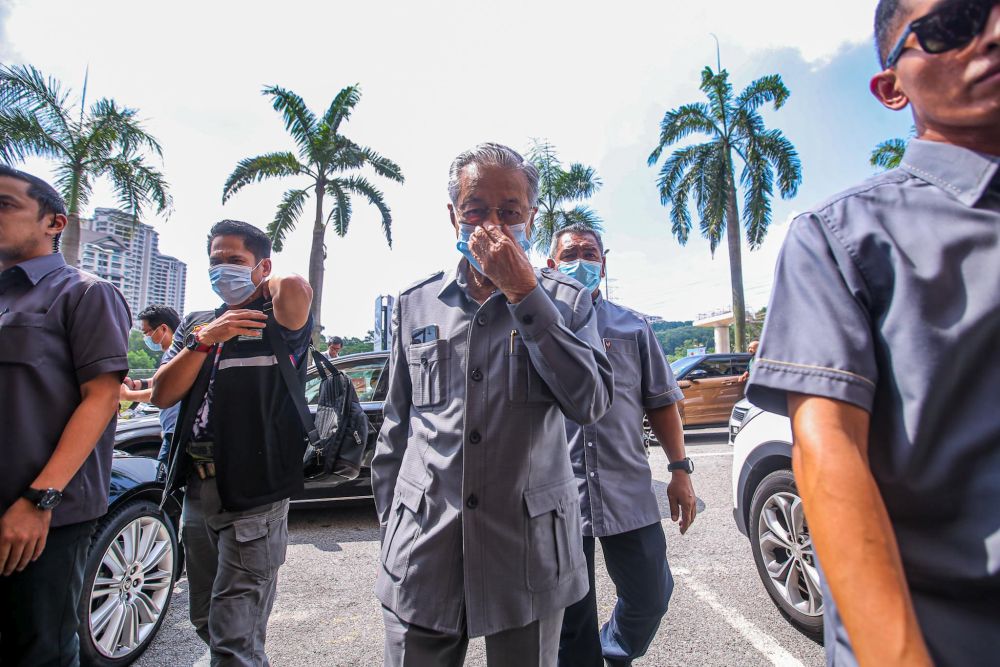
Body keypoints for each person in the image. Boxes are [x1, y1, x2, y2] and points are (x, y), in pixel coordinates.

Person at [747, 1, 1000, 665]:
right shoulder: (847, 237)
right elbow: (827, 448)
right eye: (952, 27)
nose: (994, 35)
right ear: (892, 87)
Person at [373, 143, 614, 666]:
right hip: (423, 550)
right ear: (453, 216)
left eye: (509, 211)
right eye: (476, 209)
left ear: (531, 217)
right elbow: (396, 430)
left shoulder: (568, 301)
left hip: (529, 553)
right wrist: (395, 526)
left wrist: (524, 292)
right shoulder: (416, 304)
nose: (492, 225)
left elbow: (591, 401)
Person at [151, 219, 313, 664]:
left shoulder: (279, 319)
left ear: (262, 266)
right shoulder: (197, 325)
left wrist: (263, 283)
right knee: (205, 618)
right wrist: (206, 339)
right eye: (215, 261)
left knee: (233, 636)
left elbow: (295, 287)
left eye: (235, 260)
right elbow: (162, 393)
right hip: (197, 488)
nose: (222, 269)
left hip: (255, 492)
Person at [548, 225, 697, 667]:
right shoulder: (537, 326)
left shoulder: (633, 326)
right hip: (556, 496)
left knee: (651, 594)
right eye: (569, 254)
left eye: (589, 252)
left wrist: (680, 470)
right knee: (569, 616)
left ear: (603, 263)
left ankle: (614, 653)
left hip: (626, 488)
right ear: (551, 265)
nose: (580, 261)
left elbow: (662, 402)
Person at [0, 165, 131, 665]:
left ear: (55, 222)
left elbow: (101, 398)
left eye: (5, 205)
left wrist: (40, 499)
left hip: (40, 515)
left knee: (40, 650)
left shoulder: (84, 292)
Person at [118, 304, 181, 467]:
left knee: (163, 477)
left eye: (147, 332)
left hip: (175, 432)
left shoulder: (177, 354)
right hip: (171, 430)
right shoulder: (176, 353)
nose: (146, 337)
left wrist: (127, 395)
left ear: (163, 329)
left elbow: (165, 390)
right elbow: (164, 380)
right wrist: (138, 384)